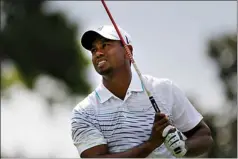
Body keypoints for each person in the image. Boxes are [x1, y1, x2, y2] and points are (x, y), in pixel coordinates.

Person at [70, 25, 213, 158]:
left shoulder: (164, 89)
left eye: (105, 45)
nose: (98, 53)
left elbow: (204, 136)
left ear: (128, 51)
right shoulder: (84, 111)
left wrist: (184, 146)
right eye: (94, 50)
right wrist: (150, 145)